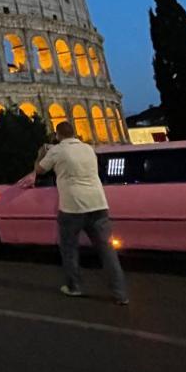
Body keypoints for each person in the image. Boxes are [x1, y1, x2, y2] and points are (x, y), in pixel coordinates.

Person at [35, 121, 128, 305]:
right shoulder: (88, 148)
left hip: (72, 207)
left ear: (57, 135)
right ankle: (121, 293)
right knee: (107, 250)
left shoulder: (57, 150)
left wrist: (40, 155)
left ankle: (74, 287)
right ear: (75, 133)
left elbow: (40, 169)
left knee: (69, 249)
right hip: (98, 203)